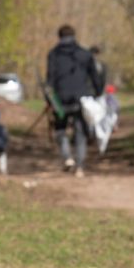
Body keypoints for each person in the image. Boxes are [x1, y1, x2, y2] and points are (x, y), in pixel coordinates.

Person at [47, 25, 102, 176]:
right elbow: (95, 77)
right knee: (80, 132)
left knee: (60, 129)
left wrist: (50, 100)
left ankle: (67, 157)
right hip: (82, 99)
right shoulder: (84, 54)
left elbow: (49, 81)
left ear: (59, 36)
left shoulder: (53, 55)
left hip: (60, 101)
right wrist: (97, 93)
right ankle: (80, 166)